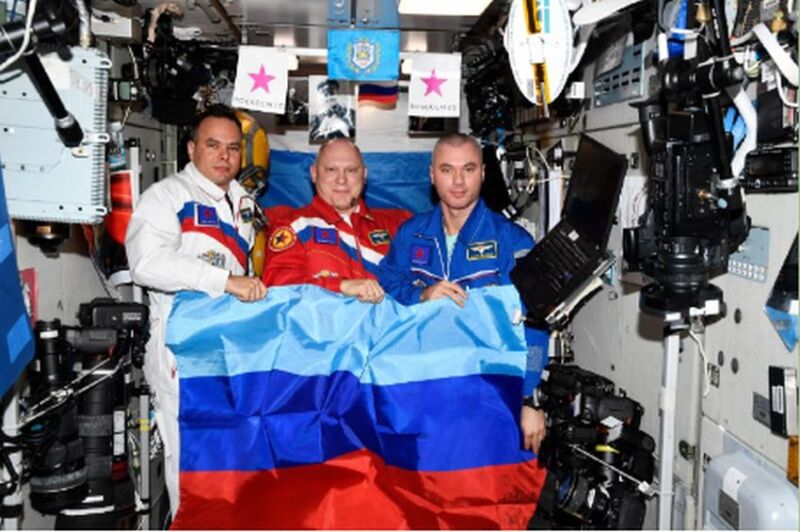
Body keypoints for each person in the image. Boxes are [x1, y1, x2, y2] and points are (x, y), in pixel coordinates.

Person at [125, 104, 267, 517]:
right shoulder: (167, 197)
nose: (224, 156)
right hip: (180, 353)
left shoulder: (242, 201)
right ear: (191, 149)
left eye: (233, 148)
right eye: (213, 145)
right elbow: (146, 265)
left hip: (228, 351)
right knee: (189, 466)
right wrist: (222, 282)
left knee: (229, 464)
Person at [378, 133, 548, 453]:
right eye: (446, 170)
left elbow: (535, 324)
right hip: (420, 389)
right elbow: (387, 285)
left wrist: (528, 399)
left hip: (487, 395)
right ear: (432, 175)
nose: (458, 181)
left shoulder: (514, 242)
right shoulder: (410, 234)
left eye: (468, 169)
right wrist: (421, 296)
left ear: (483, 173)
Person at [262, 138, 409, 304]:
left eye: (351, 170)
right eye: (331, 170)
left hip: (390, 328)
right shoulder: (293, 227)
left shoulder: (398, 224)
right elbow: (278, 286)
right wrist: (341, 286)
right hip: (322, 328)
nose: (341, 180)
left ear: (364, 174)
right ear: (314, 173)